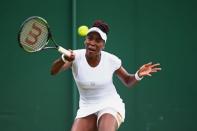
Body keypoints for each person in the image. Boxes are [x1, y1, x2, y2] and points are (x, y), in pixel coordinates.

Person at [50, 20, 161, 131]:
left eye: (98, 40)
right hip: (87, 107)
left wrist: (138, 74)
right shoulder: (75, 57)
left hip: (110, 104)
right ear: (85, 40)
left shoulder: (111, 60)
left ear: (103, 45)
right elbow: (53, 71)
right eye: (90, 38)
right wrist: (63, 58)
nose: (92, 43)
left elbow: (128, 80)